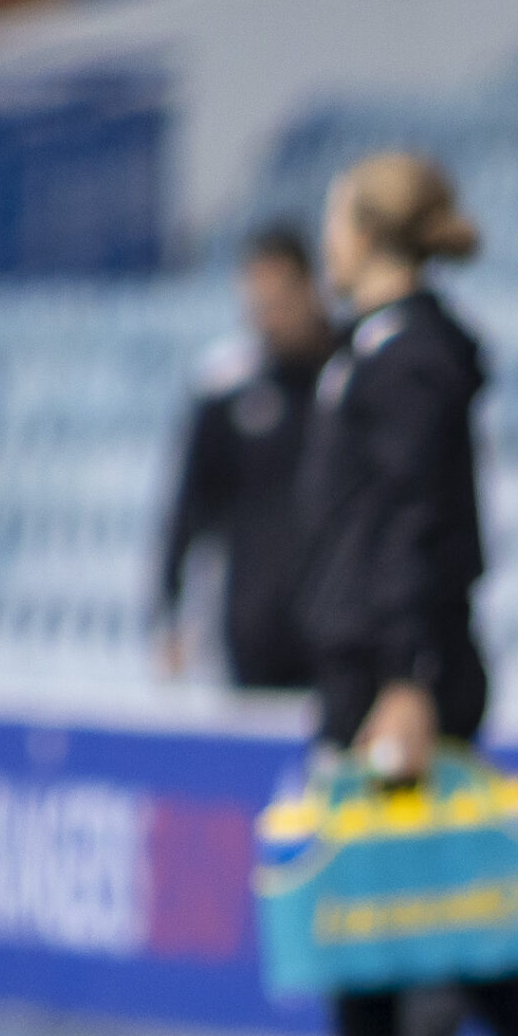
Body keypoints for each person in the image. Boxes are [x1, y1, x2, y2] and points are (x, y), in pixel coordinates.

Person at [237, 153, 518, 1036]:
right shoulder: (387, 349)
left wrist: (406, 679)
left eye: (339, 219)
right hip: (388, 660)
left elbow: (417, 531)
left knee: (384, 901)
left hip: (396, 671)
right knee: (433, 901)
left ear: (367, 233)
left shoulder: (411, 361)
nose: (328, 241)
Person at [155, 223, 331, 689]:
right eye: (257, 302)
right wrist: (169, 612)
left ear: (311, 290)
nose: (267, 316)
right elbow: (188, 504)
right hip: (255, 622)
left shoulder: (350, 376)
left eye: (279, 300)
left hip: (338, 622)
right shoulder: (226, 388)